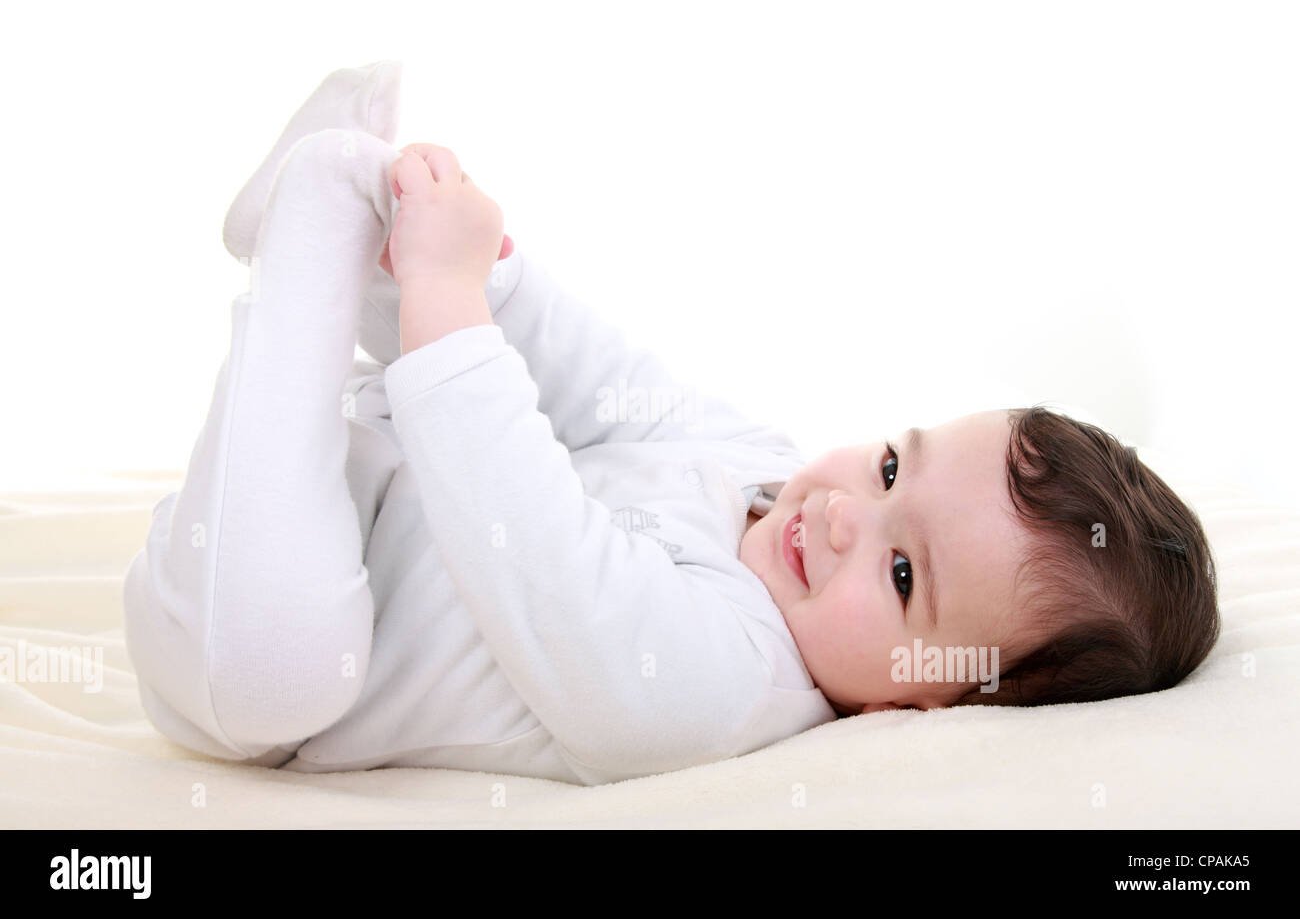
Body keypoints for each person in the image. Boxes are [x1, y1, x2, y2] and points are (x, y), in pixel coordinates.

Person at [121, 62, 1220, 786]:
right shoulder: (763, 467)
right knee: (442, 289)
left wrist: (447, 306)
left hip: (240, 643)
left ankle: (310, 215)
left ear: (936, 703)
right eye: (891, 464)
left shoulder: (733, 684)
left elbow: (545, 555)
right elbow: (594, 377)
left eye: (898, 576)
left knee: (284, 666)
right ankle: (342, 229)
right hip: (321, 471)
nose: (844, 515)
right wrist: (478, 273)